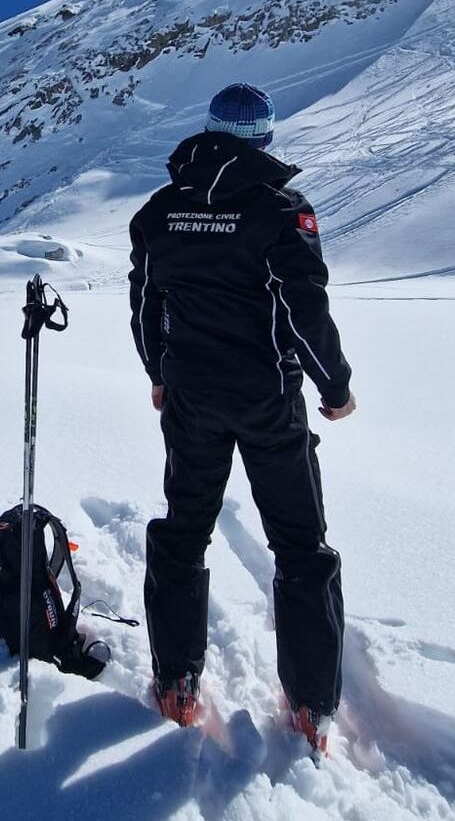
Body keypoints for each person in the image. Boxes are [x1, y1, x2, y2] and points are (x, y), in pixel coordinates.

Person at [127, 82, 356, 756]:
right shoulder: (280, 210)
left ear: (208, 132)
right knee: (300, 544)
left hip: (193, 398)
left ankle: (176, 683)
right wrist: (334, 385)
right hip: (266, 400)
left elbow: (146, 306)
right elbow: (304, 307)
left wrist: (159, 375)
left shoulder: (160, 211)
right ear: (264, 139)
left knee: (183, 531)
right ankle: (312, 707)